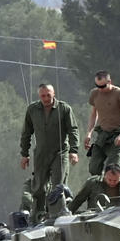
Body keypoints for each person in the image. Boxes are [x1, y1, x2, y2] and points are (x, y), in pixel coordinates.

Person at [20, 83, 79, 220]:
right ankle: (38, 215)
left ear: (54, 94)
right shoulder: (33, 110)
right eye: (43, 95)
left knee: (58, 185)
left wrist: (74, 150)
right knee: (39, 186)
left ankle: (57, 212)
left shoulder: (64, 109)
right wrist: (24, 154)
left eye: (48, 95)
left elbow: (73, 130)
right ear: (39, 95)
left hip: (60, 151)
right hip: (41, 153)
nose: (46, 98)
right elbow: (26, 133)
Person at [84, 70, 120, 175]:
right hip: (102, 134)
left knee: (112, 169)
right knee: (93, 168)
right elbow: (93, 115)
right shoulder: (94, 94)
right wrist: (89, 133)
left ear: (109, 82)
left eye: (103, 86)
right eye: (97, 86)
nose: (100, 89)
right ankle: (98, 188)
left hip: (117, 134)